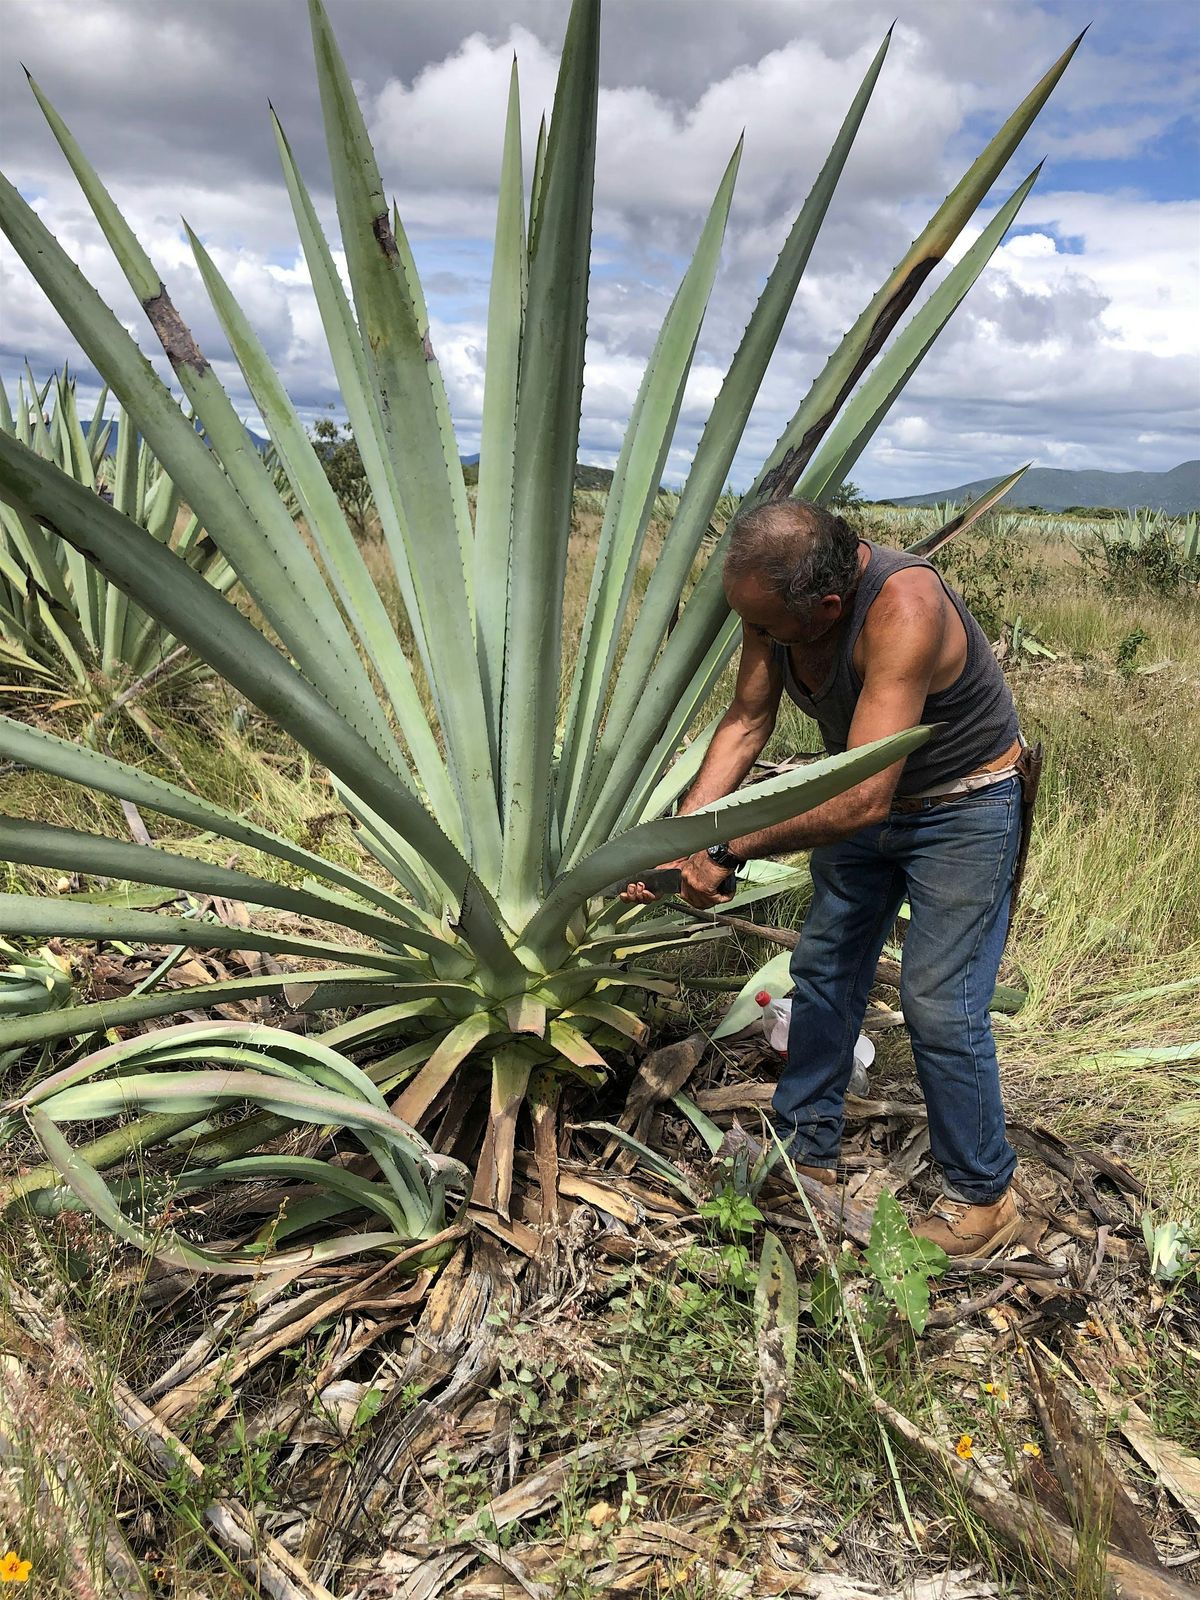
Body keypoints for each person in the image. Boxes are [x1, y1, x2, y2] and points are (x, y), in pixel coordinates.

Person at [622, 500, 1027, 1255]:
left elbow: (865, 796)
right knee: (825, 969)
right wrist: (685, 842)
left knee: (939, 1003)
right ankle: (806, 1149)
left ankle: (985, 1196)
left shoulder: (904, 609)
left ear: (829, 606)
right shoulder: (770, 603)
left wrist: (729, 847)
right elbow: (746, 719)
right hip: (855, 796)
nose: (758, 636)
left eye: (769, 627)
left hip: (962, 808)